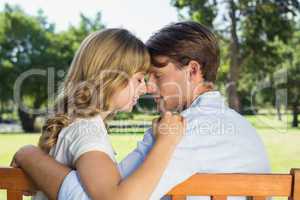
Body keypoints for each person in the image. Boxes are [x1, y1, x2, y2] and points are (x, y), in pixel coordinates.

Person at [12, 21, 270, 200]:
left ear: (192, 70)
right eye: (142, 78)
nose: (148, 88)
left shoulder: (177, 130)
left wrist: (29, 155)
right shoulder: (242, 128)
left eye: (156, 76)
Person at [11, 28, 186, 200]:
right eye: (139, 79)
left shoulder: (80, 125)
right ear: (109, 78)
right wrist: (166, 142)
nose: (145, 88)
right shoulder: (86, 131)